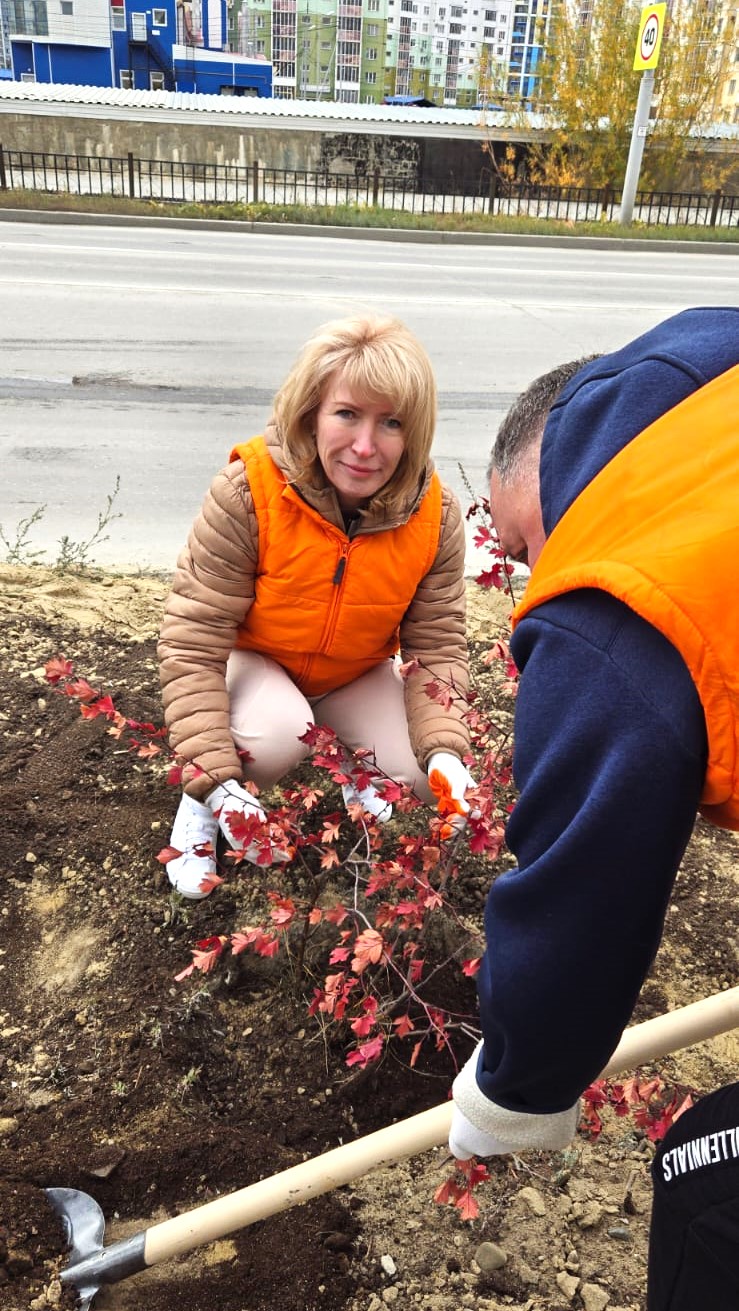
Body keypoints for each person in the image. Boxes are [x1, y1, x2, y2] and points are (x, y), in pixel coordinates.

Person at [447, 306, 739, 1308]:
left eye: (521, 544)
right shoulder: (714, 381)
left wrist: (512, 1088)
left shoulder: (615, 583)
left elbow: (582, 880)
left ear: (543, 461)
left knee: (713, 1184)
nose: (534, 578)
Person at [158, 313, 476, 899]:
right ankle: (197, 808)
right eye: (347, 414)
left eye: (391, 423)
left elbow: (438, 648)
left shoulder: (435, 518)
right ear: (312, 412)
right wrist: (213, 777)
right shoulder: (247, 492)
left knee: (418, 777)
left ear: (415, 433)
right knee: (275, 737)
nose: (364, 445)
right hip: (254, 663)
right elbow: (193, 642)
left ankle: (355, 769)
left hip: (353, 673)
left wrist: (447, 752)